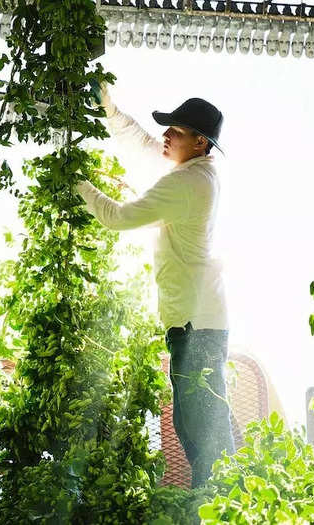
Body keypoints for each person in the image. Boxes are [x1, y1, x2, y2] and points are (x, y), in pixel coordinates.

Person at [76, 88, 234, 487]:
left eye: (175, 132)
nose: (166, 137)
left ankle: (223, 509)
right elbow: (144, 145)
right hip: (196, 323)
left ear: (200, 142)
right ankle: (223, 505)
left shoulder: (188, 184)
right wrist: (108, 109)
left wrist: (76, 182)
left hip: (196, 327)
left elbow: (116, 217)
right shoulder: (192, 173)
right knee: (197, 428)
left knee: (204, 436)